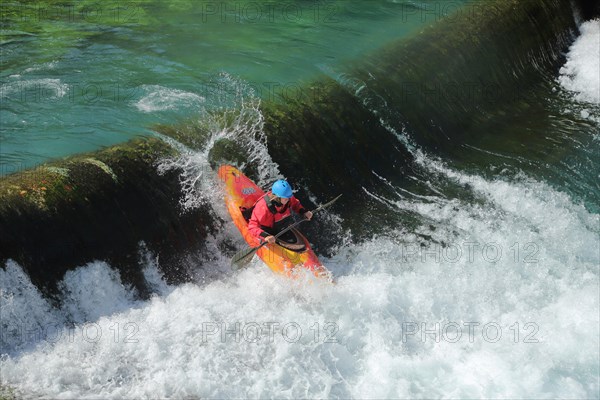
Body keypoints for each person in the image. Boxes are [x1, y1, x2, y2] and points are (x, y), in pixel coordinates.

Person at [248, 180, 313, 244]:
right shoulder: (263, 207)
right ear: (277, 197)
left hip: (280, 228)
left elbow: (295, 204)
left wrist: (304, 212)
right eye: (285, 198)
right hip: (266, 232)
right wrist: (266, 236)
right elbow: (252, 226)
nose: (288, 199)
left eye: (288, 197)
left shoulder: (287, 198)